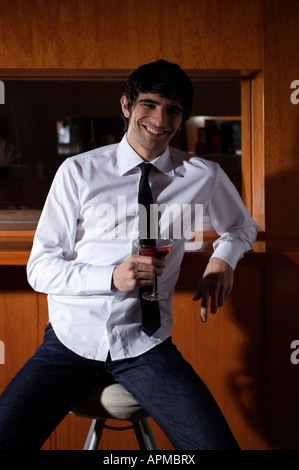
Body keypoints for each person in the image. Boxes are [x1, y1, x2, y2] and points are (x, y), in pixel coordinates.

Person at [0, 60, 258, 450]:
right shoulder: (78, 172)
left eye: (173, 110)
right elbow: (40, 269)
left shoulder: (203, 175)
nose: (160, 119)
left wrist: (223, 258)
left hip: (146, 344)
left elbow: (242, 228)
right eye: (149, 105)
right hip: (70, 342)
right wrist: (110, 276)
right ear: (126, 106)